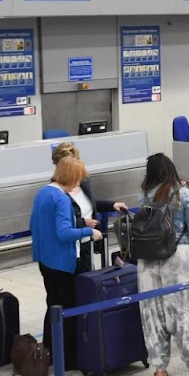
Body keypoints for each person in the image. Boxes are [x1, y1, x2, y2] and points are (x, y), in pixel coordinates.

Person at [30, 153, 124, 359]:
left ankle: (50, 350)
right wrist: (90, 232)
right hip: (63, 262)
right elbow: (64, 233)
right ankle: (68, 356)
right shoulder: (62, 199)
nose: (80, 182)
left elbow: (34, 226)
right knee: (68, 309)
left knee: (53, 305)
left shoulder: (42, 193)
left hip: (45, 260)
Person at [135, 154, 189, 376]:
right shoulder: (184, 194)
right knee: (184, 315)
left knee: (153, 314)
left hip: (148, 263)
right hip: (179, 259)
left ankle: (160, 371)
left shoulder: (144, 197)